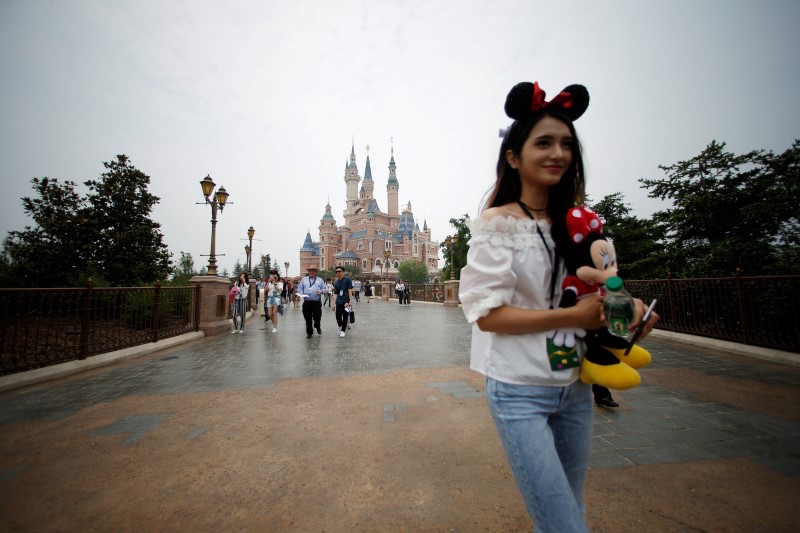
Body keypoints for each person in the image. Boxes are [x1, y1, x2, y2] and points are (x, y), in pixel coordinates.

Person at [458, 80, 658, 531]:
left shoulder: (577, 220)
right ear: (514, 155)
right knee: (565, 524)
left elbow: (595, 288)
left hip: (574, 385)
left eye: (566, 144)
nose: (558, 153)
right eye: (543, 142)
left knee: (570, 510)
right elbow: (487, 316)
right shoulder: (497, 224)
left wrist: (627, 310)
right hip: (519, 390)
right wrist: (572, 317)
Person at [297, 266, 326, 338]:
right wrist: (301, 293)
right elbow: (300, 288)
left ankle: (317, 326)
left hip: (316, 302)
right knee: (307, 317)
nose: (311, 272)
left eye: (313, 271)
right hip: (307, 302)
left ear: (316, 272)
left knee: (317, 316)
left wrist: (321, 291)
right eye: (310, 271)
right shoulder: (304, 280)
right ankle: (309, 332)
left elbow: (325, 289)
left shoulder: (320, 280)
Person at [333, 266, 353, 338]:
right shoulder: (336, 282)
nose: (337, 272)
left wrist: (350, 301)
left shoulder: (348, 280)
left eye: (339, 271)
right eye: (336, 271)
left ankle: (343, 331)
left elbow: (350, 290)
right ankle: (340, 326)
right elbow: (335, 293)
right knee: (337, 315)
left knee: (345, 316)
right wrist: (334, 303)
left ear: (343, 272)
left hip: (346, 301)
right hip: (339, 301)